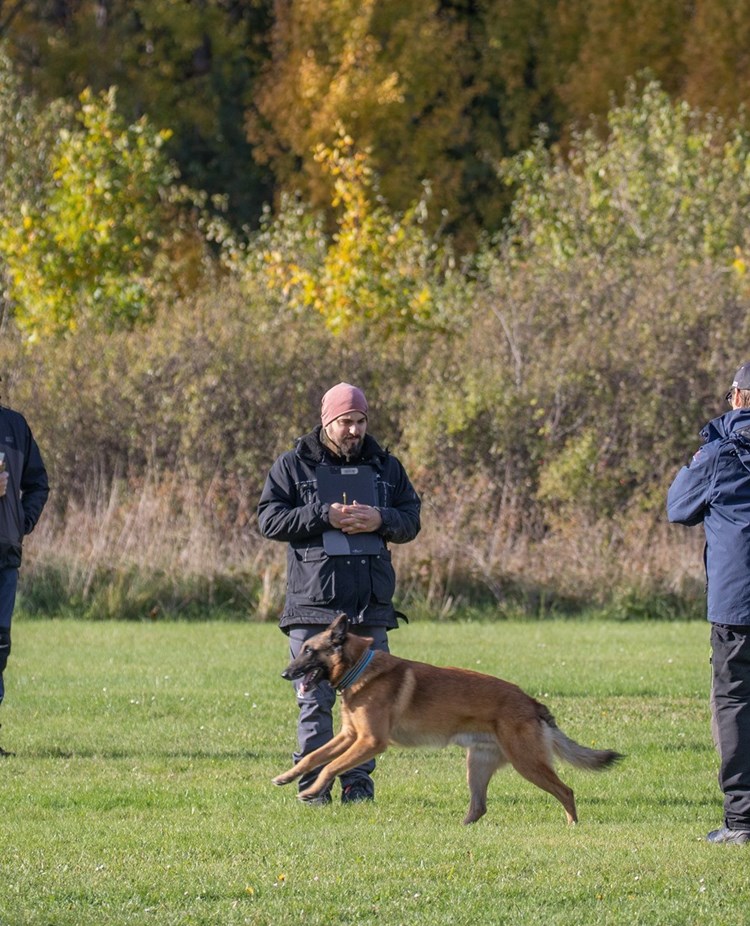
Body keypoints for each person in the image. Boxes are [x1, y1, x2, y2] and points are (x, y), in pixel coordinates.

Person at [258, 382, 421, 803]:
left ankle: (358, 785)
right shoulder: (293, 465)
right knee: (314, 701)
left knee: (368, 706)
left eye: (360, 421)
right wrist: (322, 514)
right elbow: (270, 520)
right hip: (313, 606)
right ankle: (313, 789)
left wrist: (380, 519)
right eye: (345, 422)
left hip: (368, 608)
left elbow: (410, 520)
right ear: (327, 422)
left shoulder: (387, 467)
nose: (354, 430)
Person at [667, 360, 750, 843]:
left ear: (738, 397)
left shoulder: (720, 454)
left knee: (736, 704)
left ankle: (742, 821)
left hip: (737, 607)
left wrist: (706, 451)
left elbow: (679, 507)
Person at [0, 394, 49, 754]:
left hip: (5, 555)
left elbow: (38, 484)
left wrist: (21, 523)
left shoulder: (15, 426)